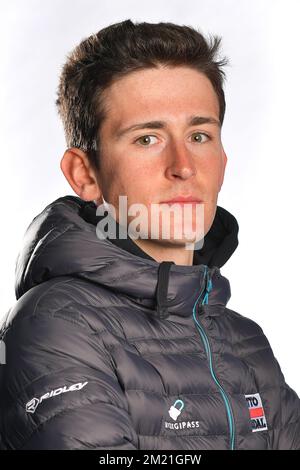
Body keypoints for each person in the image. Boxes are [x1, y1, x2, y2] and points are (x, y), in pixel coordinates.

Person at [0, 19, 299, 451]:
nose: (183, 165)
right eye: (147, 139)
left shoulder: (245, 341)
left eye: (199, 135)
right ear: (84, 173)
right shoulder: (54, 327)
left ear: (223, 159)